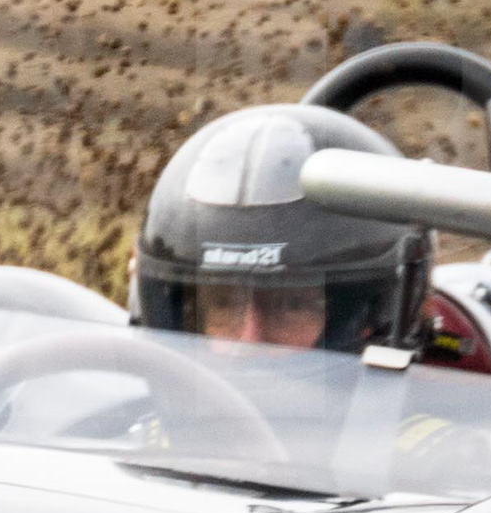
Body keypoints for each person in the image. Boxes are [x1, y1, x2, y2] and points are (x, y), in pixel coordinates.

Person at [130, 106, 432, 358]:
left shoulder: (448, 431)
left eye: (291, 305)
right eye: (223, 303)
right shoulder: (134, 428)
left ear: (366, 319)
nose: (248, 342)